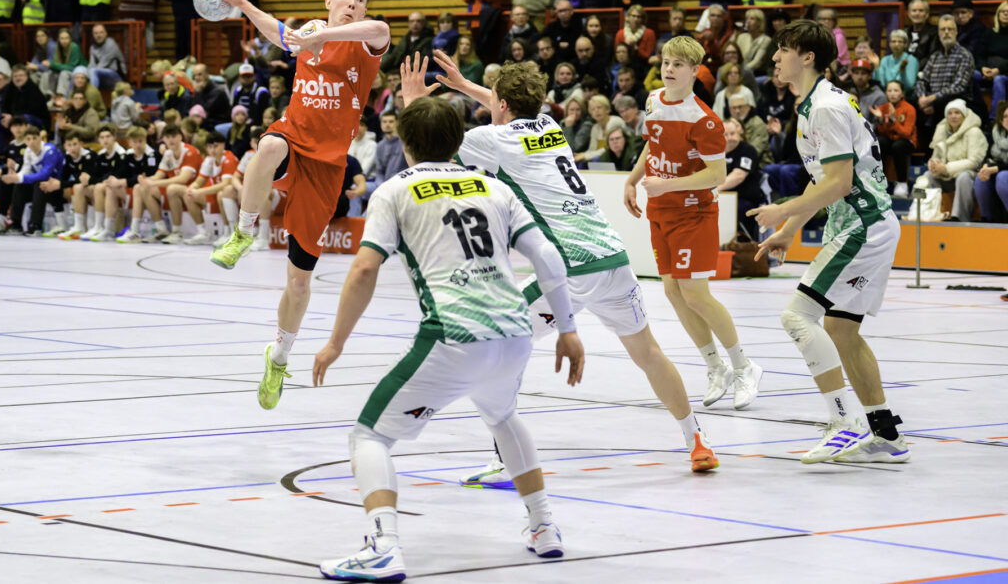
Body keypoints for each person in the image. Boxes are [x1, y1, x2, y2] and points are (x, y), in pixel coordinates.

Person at [311, 93, 583, 582]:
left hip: (454, 334)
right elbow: (547, 256)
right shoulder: (494, 188)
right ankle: (544, 527)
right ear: (461, 140)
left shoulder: (394, 190)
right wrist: (566, 328)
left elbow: (364, 268)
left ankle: (383, 546)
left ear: (406, 145)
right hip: (515, 332)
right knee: (502, 415)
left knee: (369, 435)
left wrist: (335, 342)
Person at [421, 53, 720, 490]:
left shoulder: (496, 140)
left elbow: (437, 138)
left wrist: (416, 100)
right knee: (649, 354)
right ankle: (697, 440)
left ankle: (509, 462)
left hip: (568, 267)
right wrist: (468, 87)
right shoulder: (550, 127)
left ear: (500, 104)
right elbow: (512, 108)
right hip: (614, 259)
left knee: (500, 348)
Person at [207, 0, 390, 411]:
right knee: (266, 146)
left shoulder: (366, 40)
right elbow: (282, 34)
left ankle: (280, 355)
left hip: (327, 167)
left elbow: (380, 30)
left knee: (299, 283)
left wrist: (323, 36)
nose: (353, 2)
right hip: (295, 138)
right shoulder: (309, 30)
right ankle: (244, 231)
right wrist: (245, 6)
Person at [749, 18, 909, 464]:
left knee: (797, 317)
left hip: (862, 225)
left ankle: (844, 421)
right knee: (841, 329)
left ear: (808, 57)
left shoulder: (825, 108)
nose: (776, 57)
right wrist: (791, 227)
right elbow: (827, 182)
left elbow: (838, 183)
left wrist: (782, 209)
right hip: (862, 223)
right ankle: (886, 434)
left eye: (783, 49)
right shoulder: (816, 105)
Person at [625, 35, 762, 410]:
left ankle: (744, 366)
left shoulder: (704, 119)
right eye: (666, 62)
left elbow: (716, 175)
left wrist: (666, 183)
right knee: (672, 292)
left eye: (678, 65)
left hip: (693, 212)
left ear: (694, 71)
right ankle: (714, 366)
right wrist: (633, 180)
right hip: (660, 211)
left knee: (696, 294)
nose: (669, 69)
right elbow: (651, 147)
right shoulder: (653, 100)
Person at [119, 125, 202, 243]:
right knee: (139, 187)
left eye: (174, 136)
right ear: (163, 139)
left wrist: (154, 182)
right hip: (178, 189)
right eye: (167, 137)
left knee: (172, 189)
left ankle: (177, 232)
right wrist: (146, 180)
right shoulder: (168, 154)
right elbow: (158, 175)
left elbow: (183, 179)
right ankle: (145, 230)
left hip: (195, 188)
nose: (171, 140)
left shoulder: (189, 151)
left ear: (180, 137)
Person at [921, 99, 987, 221]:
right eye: (950, 113)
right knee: (927, 176)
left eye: (957, 113)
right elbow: (936, 156)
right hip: (947, 176)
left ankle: (960, 218)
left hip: (971, 175)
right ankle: (929, 214)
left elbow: (974, 161)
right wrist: (934, 166)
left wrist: (946, 168)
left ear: (964, 115)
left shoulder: (974, 132)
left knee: (963, 177)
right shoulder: (942, 130)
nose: (953, 116)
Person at [915, 14, 974, 149]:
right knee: (912, 105)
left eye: (950, 29)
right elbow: (921, 79)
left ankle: (934, 153)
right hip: (933, 101)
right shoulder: (935, 56)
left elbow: (959, 86)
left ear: (956, 32)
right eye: (943, 29)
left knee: (943, 103)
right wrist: (922, 97)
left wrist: (932, 99)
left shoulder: (964, 55)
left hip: (957, 101)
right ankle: (922, 152)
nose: (946, 33)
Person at [179, 130, 239, 244]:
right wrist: (192, 188)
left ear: (223, 145)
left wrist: (200, 191)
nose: (212, 150)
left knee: (223, 193)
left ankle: (231, 232)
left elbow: (226, 183)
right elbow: (200, 180)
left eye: (215, 146)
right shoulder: (209, 160)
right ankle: (203, 233)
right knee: (189, 195)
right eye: (210, 147)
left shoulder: (228, 158)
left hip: (234, 195)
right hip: (217, 194)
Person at [3, 127, 65, 235]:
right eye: (28, 139)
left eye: (34, 138)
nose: (31, 142)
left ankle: (35, 225)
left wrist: (20, 178)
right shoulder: (28, 151)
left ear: (40, 138)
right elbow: (26, 170)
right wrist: (15, 176)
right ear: (25, 141)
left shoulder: (50, 150)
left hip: (59, 184)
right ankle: (16, 224)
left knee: (40, 183)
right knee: (20, 185)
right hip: (43, 184)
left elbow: (45, 174)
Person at [78, 125, 130, 241]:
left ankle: (104, 227)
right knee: (79, 187)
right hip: (106, 186)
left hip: (121, 187)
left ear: (114, 137)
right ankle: (80, 227)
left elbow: (113, 177)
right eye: (102, 137)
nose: (105, 140)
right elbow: (96, 175)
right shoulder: (101, 154)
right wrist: (86, 176)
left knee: (99, 187)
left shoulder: (121, 154)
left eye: (108, 136)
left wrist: (91, 180)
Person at [111, 126, 162, 242]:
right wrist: (113, 179)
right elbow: (121, 173)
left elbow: (147, 177)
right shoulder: (127, 155)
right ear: (129, 142)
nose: (138, 145)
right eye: (135, 141)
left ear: (145, 140)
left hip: (147, 188)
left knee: (138, 187)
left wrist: (124, 181)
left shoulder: (152, 155)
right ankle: (107, 228)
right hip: (131, 188)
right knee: (108, 187)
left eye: (141, 141)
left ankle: (134, 230)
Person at [720, 118, 766, 239]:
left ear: (739, 133)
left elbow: (738, 176)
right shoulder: (715, 153)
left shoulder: (747, 150)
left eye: (733, 134)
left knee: (731, 210)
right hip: (721, 197)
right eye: (725, 134)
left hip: (745, 199)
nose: (730, 138)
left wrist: (714, 190)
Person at [872, 80, 918, 198]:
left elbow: (906, 133)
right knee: (879, 142)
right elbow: (883, 133)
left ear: (902, 93)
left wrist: (893, 120)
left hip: (906, 142)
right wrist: (880, 121)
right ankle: (879, 181)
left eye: (896, 91)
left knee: (898, 146)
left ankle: (902, 183)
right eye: (889, 91)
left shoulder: (909, 108)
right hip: (890, 140)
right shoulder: (883, 108)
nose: (892, 94)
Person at [53, 130, 95, 239]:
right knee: (57, 187)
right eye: (69, 145)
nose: (72, 148)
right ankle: (62, 225)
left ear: (81, 144)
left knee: (75, 187)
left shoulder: (89, 156)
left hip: (93, 187)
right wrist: (56, 184)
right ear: (65, 146)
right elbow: (63, 178)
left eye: (75, 144)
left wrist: (60, 184)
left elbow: (85, 181)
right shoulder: (67, 157)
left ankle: (81, 226)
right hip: (81, 188)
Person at [974, 103, 1008, 221]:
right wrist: (985, 166)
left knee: (1003, 177)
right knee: (980, 178)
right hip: (999, 170)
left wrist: (995, 169)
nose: (1007, 119)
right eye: (1005, 116)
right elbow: (989, 155)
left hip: (1003, 173)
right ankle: (987, 219)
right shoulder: (996, 134)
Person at [42, 28, 85, 99]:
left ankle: (61, 97)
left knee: (64, 73)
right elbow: (57, 64)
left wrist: (52, 65)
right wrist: (50, 64)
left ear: (70, 39)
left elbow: (72, 67)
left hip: (78, 72)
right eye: (62, 38)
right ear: (58, 39)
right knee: (48, 73)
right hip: (66, 71)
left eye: (66, 38)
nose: (64, 41)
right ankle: (49, 96)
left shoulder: (74, 47)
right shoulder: (57, 47)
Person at [729, 93, 771, 166]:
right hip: (733, 162)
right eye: (734, 108)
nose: (737, 111)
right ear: (729, 110)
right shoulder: (727, 124)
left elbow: (755, 151)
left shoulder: (757, 123)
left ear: (748, 107)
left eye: (740, 107)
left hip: (759, 164)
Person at [875, 29, 919, 97]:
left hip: (906, 97)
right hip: (887, 96)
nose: (896, 44)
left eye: (900, 42)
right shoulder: (885, 60)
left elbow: (909, 86)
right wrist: (876, 67)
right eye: (893, 41)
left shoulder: (911, 60)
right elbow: (882, 84)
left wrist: (902, 72)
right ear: (889, 44)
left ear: (905, 44)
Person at [983, 1, 1008, 121]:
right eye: (1004, 12)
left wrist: (999, 70)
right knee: (972, 76)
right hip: (987, 70)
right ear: (998, 14)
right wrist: (982, 67)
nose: (1006, 14)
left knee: (999, 80)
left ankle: (995, 119)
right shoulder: (989, 33)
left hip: (1004, 73)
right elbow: (979, 53)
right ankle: (978, 111)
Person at [190, 63, 230, 129]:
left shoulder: (217, 91)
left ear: (207, 74)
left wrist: (199, 92)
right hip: (205, 122)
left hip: (218, 124)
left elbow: (203, 113)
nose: (197, 78)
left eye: (199, 74)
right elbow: (194, 108)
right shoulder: (199, 89)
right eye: (195, 75)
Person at [87, 24, 126, 90]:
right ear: (93, 35)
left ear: (106, 33)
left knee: (93, 71)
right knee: (79, 71)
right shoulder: (92, 47)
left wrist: (88, 74)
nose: (98, 35)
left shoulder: (111, 43)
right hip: (101, 76)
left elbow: (103, 64)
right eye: (96, 33)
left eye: (101, 32)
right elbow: (91, 65)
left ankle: (92, 96)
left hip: (117, 76)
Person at [736, 8, 773, 76]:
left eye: (752, 19)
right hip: (738, 71)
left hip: (756, 74)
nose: (748, 21)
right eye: (747, 19)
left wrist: (739, 72)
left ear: (759, 22)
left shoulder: (766, 40)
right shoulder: (741, 37)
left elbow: (756, 62)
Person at [902, 0, 938, 68]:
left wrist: (914, 68)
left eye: (921, 11)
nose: (917, 13)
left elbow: (932, 57)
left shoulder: (934, 33)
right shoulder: (904, 33)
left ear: (927, 14)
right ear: (908, 14)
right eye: (914, 11)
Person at [849, 59, 887, 124]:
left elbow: (878, 126)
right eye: (856, 73)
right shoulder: (847, 93)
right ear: (852, 75)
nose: (859, 77)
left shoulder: (879, 96)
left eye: (863, 73)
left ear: (870, 76)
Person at [698, 4, 733, 73]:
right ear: (708, 18)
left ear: (723, 18)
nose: (715, 18)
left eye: (718, 16)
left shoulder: (729, 35)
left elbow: (723, 57)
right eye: (713, 15)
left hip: (723, 70)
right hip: (705, 69)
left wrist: (711, 42)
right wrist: (700, 42)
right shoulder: (703, 34)